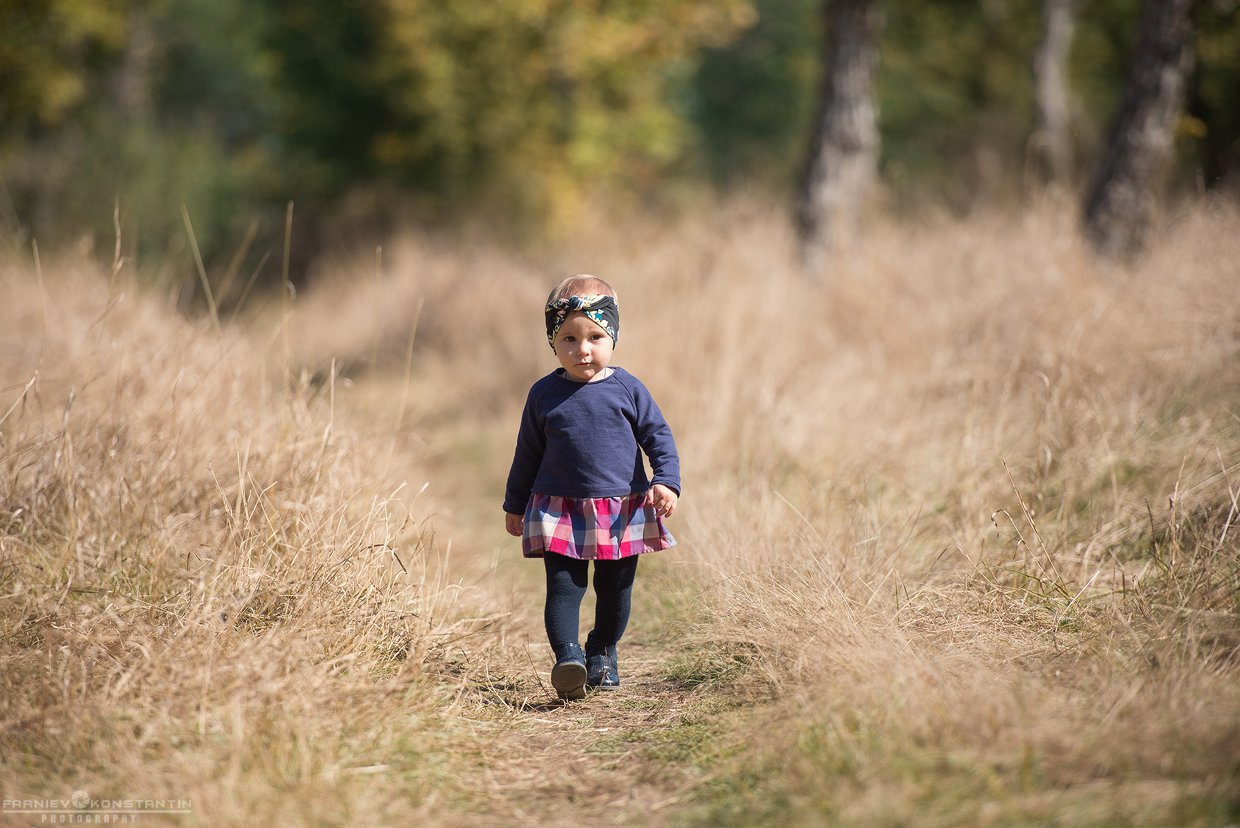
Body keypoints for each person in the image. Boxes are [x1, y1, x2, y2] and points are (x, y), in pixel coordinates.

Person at [503, 274, 680, 700]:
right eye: (568, 338)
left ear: (613, 338)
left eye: (595, 337)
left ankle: (601, 650)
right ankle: (569, 658)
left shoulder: (628, 389)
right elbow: (526, 453)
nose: (582, 349)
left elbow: (659, 437)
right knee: (564, 586)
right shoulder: (543, 395)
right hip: (558, 510)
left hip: (622, 509)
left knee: (615, 589)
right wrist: (515, 504)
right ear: (552, 342)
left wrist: (667, 482)